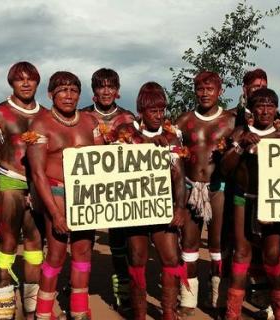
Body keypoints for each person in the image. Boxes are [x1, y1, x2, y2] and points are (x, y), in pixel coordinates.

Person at [26, 71, 99, 320]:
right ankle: (43, 313)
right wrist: (55, 213)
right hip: (56, 192)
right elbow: (37, 174)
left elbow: (102, 162)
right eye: (62, 90)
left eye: (74, 90)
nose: (69, 96)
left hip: (87, 196)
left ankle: (79, 310)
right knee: (56, 255)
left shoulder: (91, 122)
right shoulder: (40, 124)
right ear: (50, 94)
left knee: (83, 253)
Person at [114, 81, 188, 319]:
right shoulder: (127, 135)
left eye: (161, 110)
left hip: (162, 206)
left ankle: (168, 311)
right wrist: (146, 145)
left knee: (171, 258)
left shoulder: (172, 139)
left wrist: (179, 208)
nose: (158, 115)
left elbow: (179, 177)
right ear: (141, 112)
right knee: (136, 258)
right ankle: (139, 313)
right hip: (135, 208)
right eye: (152, 111)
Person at [0, 62, 48, 319]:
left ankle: (31, 308)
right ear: (12, 83)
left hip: (38, 185)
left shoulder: (46, 115)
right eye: (20, 80)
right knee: (7, 244)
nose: (26, 83)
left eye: (31, 79)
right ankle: (2, 308)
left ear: (37, 82)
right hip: (10, 182)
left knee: (34, 245)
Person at [220, 88, 280, 319]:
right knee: (241, 253)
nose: (265, 110)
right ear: (251, 109)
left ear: (276, 109)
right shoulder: (240, 131)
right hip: (243, 197)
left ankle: (279, 310)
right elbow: (225, 169)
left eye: (270, 106)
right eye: (260, 105)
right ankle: (233, 312)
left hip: (274, 200)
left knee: (271, 256)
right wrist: (239, 146)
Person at [175, 71, 235, 315]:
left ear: (219, 91)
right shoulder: (183, 121)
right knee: (189, 244)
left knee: (218, 245)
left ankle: (218, 300)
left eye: (210, 89)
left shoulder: (232, 120)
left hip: (218, 188)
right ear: (195, 91)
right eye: (200, 89)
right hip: (190, 187)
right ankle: (188, 300)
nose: (205, 94)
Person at [81, 68, 135, 313]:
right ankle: (76, 293)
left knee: (118, 242)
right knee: (82, 241)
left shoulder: (128, 118)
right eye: (101, 86)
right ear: (94, 91)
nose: (106, 91)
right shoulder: (82, 117)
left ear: (117, 90)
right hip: (87, 189)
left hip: (119, 189)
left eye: (110, 86)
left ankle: (123, 291)